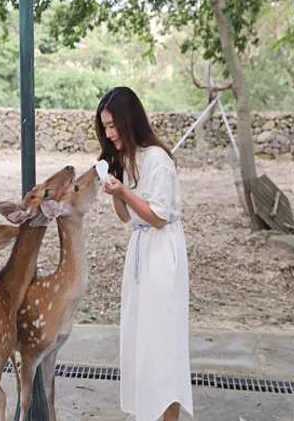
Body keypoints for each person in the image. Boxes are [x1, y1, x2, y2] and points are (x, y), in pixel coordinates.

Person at [95, 86, 193, 421]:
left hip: (162, 251)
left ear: (128, 120)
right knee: (141, 338)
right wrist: (115, 190)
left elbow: (159, 216)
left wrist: (122, 189)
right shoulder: (127, 159)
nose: (108, 133)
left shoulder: (157, 159)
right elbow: (127, 218)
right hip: (140, 249)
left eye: (112, 126)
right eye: (104, 127)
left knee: (163, 343)